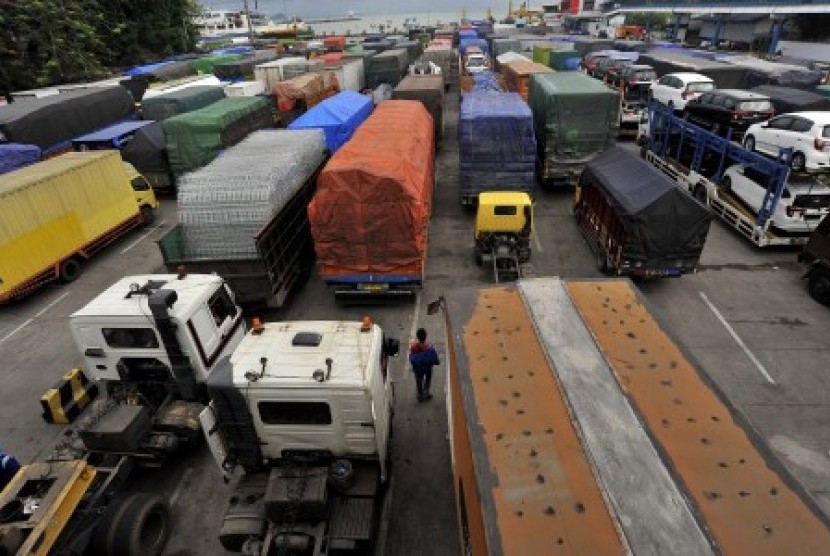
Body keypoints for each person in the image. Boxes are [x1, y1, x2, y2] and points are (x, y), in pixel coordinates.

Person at [409, 328, 440, 403]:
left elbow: (411, 358)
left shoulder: (413, 347)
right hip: (428, 368)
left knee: (419, 381)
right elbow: (435, 359)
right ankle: (426, 393)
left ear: (417, 337)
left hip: (418, 369)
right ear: (426, 336)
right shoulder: (430, 348)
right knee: (428, 379)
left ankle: (420, 395)